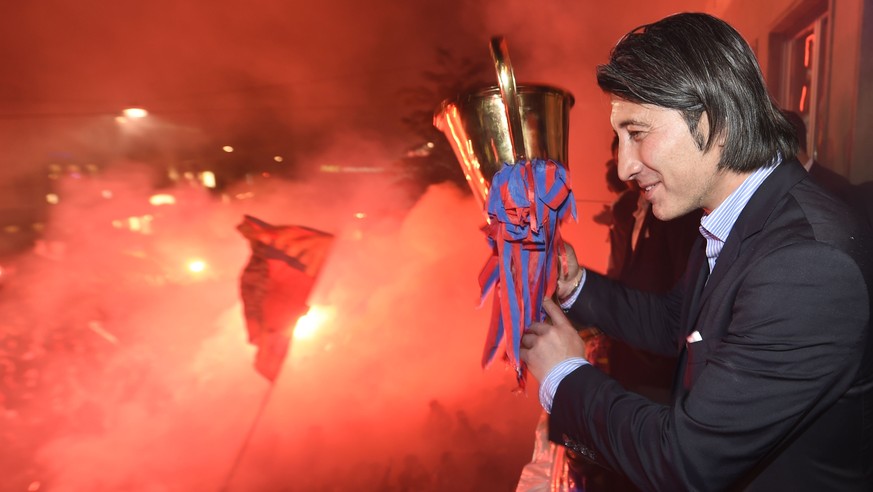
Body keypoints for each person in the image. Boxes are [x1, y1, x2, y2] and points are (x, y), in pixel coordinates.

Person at [520, 12, 873, 492]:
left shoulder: (806, 265)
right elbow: (675, 323)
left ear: (714, 121)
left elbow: (686, 461)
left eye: (637, 133)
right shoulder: (741, 214)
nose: (624, 166)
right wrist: (575, 284)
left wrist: (564, 376)